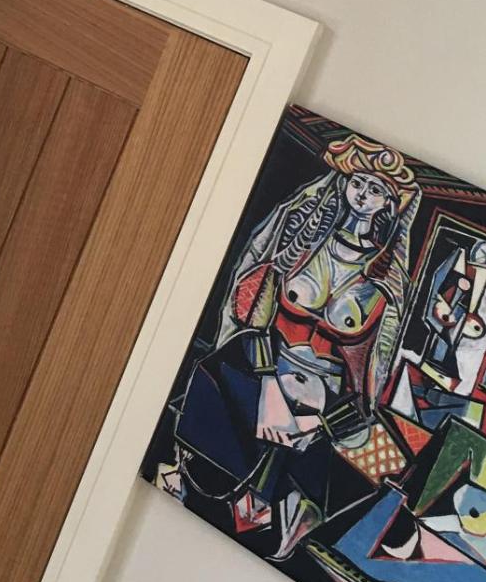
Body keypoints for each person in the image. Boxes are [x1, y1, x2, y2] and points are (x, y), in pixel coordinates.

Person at [164, 133, 417, 557]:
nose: (362, 195)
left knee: (366, 467)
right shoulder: (303, 240)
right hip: (263, 369)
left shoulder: (389, 281)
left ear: (389, 204)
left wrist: (321, 425)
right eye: (358, 183)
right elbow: (255, 315)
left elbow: (369, 375)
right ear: (343, 182)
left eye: (376, 190)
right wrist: (269, 392)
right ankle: (193, 476)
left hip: (323, 400)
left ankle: (278, 513)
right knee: (212, 384)